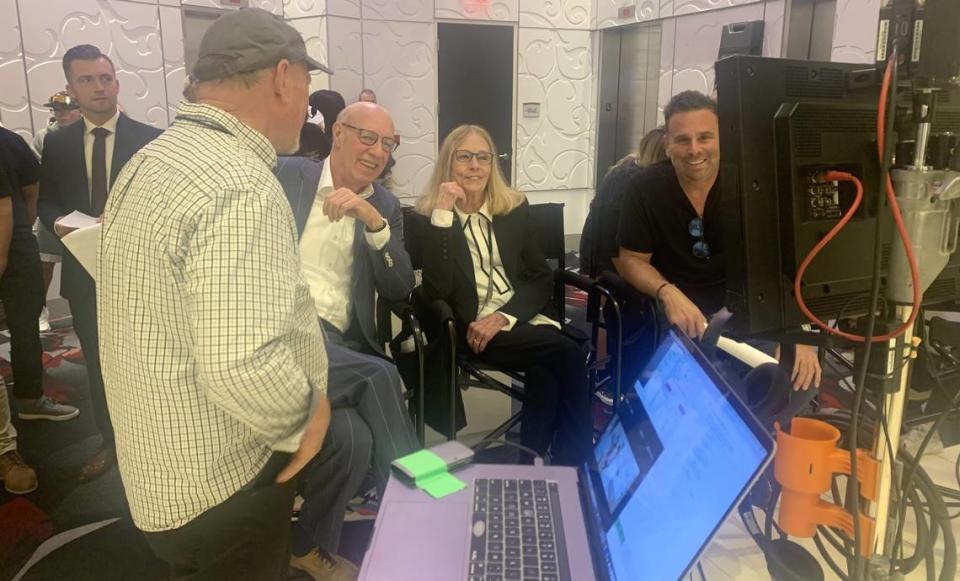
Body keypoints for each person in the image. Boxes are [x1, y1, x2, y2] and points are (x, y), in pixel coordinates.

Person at [98, 9, 342, 580]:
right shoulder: (240, 183)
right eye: (307, 81)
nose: (308, 101)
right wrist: (308, 414)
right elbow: (241, 361)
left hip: (161, 470)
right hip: (223, 484)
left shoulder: (152, 158)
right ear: (283, 76)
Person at [275, 101, 420, 579]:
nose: (377, 151)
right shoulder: (288, 174)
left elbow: (400, 290)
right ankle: (420, 511)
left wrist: (373, 223)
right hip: (280, 327)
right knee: (379, 374)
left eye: (388, 143)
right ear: (337, 133)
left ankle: (307, 546)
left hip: (335, 342)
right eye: (367, 137)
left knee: (353, 439)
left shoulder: (386, 205)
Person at [409, 124, 593, 466]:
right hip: (471, 329)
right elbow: (436, 288)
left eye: (483, 157)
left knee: (547, 368)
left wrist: (504, 317)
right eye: (464, 158)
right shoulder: (429, 219)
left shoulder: (512, 209)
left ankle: (532, 462)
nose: (475, 166)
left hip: (516, 317)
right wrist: (444, 215)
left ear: (493, 164)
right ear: (448, 164)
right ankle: (577, 464)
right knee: (568, 352)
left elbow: (540, 276)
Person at [617, 91, 821, 390]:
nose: (694, 149)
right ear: (668, 144)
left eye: (704, 137)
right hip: (680, 314)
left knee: (798, 382)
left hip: (748, 314)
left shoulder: (753, 185)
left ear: (721, 138)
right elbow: (630, 259)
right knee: (704, 392)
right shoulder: (644, 188)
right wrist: (667, 291)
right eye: (683, 140)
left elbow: (782, 261)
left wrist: (796, 332)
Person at [37, 44, 161, 481]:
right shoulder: (58, 143)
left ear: (117, 83)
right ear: (71, 89)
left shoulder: (152, 140)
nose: (98, 87)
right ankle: (112, 442)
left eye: (105, 78)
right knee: (98, 363)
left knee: (151, 361)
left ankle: (157, 440)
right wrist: (59, 224)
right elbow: (47, 200)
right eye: (87, 80)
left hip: (143, 275)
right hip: (85, 274)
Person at [1, 125, 80, 427]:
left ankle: (30, 397)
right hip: (17, 241)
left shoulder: (9, 142)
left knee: (25, 324)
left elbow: (32, 192)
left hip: (18, 246)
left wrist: (17, 234)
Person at [580, 126, 666, 278]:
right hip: (608, 268)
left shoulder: (628, 168)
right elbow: (617, 249)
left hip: (601, 259)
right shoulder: (631, 182)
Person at [32, 91, 82, 333]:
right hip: (52, 209)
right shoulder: (44, 137)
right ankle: (40, 310)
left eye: (67, 109)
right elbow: (36, 173)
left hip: (83, 211)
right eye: (57, 110)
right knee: (44, 264)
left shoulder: (89, 134)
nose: (62, 115)